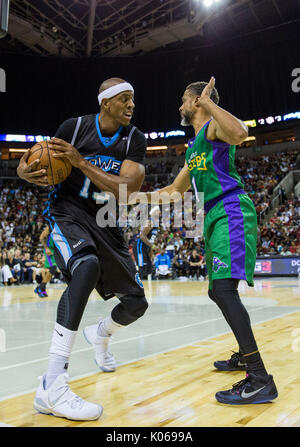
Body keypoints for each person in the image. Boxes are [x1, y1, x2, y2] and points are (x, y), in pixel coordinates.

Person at [131, 77, 277, 405]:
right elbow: (173, 191)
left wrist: (210, 103)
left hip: (231, 208)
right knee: (216, 290)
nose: (180, 106)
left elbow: (241, 133)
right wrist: (135, 201)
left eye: (185, 99)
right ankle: (245, 353)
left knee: (224, 290)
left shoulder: (213, 126)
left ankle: (259, 378)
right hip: (212, 215)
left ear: (197, 101)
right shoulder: (195, 145)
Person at [17, 77, 148, 421]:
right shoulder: (74, 128)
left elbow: (126, 192)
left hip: (107, 223)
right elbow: (27, 162)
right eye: (125, 99)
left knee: (137, 303)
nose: (132, 105)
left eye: (132, 100)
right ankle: (53, 385)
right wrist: (25, 171)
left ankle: (100, 334)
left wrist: (81, 163)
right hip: (67, 212)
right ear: (105, 103)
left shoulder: (134, 139)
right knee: (86, 266)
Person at [133, 206, 160, 280]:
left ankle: (146, 289)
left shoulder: (156, 224)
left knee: (149, 269)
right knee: (142, 268)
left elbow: (151, 240)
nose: (159, 212)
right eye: (157, 211)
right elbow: (142, 236)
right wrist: (153, 246)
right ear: (153, 213)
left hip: (146, 247)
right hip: (140, 246)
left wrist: (150, 253)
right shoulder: (150, 222)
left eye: (159, 211)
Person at [34, 226, 58, 298]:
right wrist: (46, 248)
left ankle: (40, 287)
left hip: (55, 251)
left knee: (53, 270)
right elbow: (41, 237)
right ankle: (41, 287)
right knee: (53, 268)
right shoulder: (50, 226)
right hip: (49, 250)